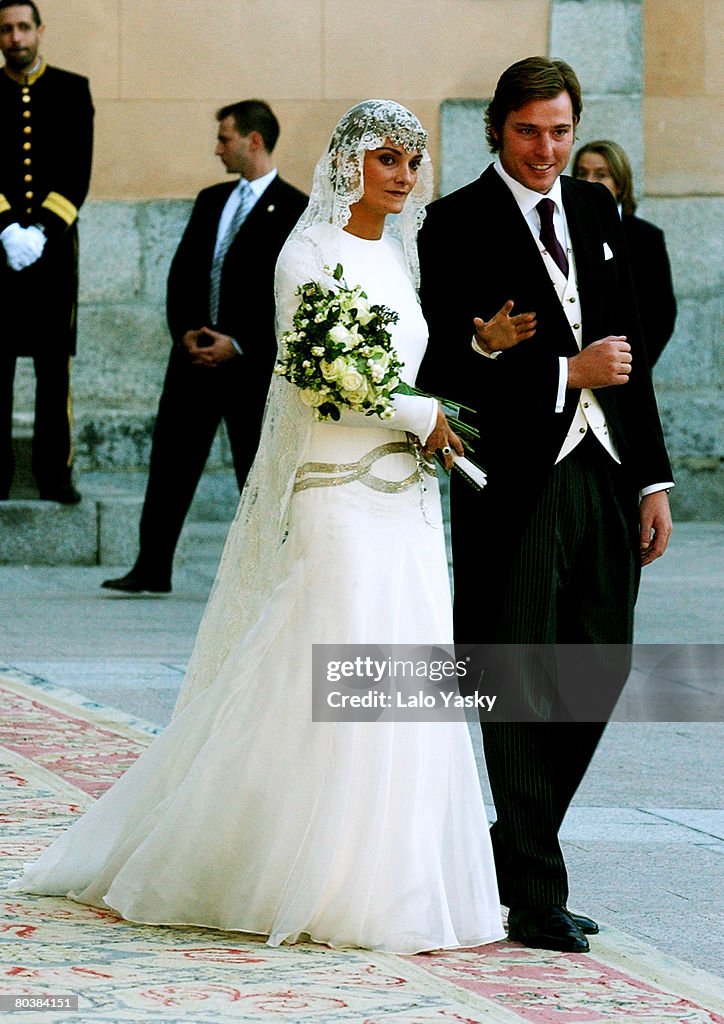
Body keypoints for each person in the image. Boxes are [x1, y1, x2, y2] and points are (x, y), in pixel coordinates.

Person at [8, 100, 529, 953]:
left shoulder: (398, 253)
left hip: (404, 501)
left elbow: (405, 365)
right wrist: (416, 412)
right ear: (350, 162)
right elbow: (322, 379)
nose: (401, 177)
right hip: (336, 490)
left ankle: (393, 877)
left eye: (411, 162)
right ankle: (289, 868)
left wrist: (472, 360)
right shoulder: (307, 252)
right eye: (387, 160)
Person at [418, 57, 674, 953]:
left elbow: (629, 354)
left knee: (598, 670)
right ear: (498, 128)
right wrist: (557, 369)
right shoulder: (452, 223)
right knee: (516, 677)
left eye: (561, 131)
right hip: (517, 481)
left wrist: (651, 480)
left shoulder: (600, 212)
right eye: (529, 131)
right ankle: (532, 887)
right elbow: (440, 372)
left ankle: (511, 848)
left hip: (604, 473)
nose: (546, 148)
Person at [102, 100, 307, 594]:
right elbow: (183, 273)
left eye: (225, 138)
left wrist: (240, 344)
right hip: (194, 360)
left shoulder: (296, 208)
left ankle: (265, 572)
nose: (218, 149)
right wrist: (187, 333)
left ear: (253, 140)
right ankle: (151, 567)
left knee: (255, 472)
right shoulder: (211, 199)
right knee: (170, 463)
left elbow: (290, 294)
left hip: (250, 367)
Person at [0, 0, 93, 504]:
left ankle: (55, 473)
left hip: (54, 251)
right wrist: (5, 227)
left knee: (53, 365)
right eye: (6, 30)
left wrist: (40, 230)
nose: (16, 38)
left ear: (39, 31)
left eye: (23, 27)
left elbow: (78, 168)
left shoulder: (72, 90)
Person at [572, 139, 677, 367]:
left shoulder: (647, 238)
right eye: (582, 173)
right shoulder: (560, 231)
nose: (589, 182)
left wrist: (632, 367)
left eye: (600, 175)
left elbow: (662, 314)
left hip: (626, 371)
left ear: (619, 183)